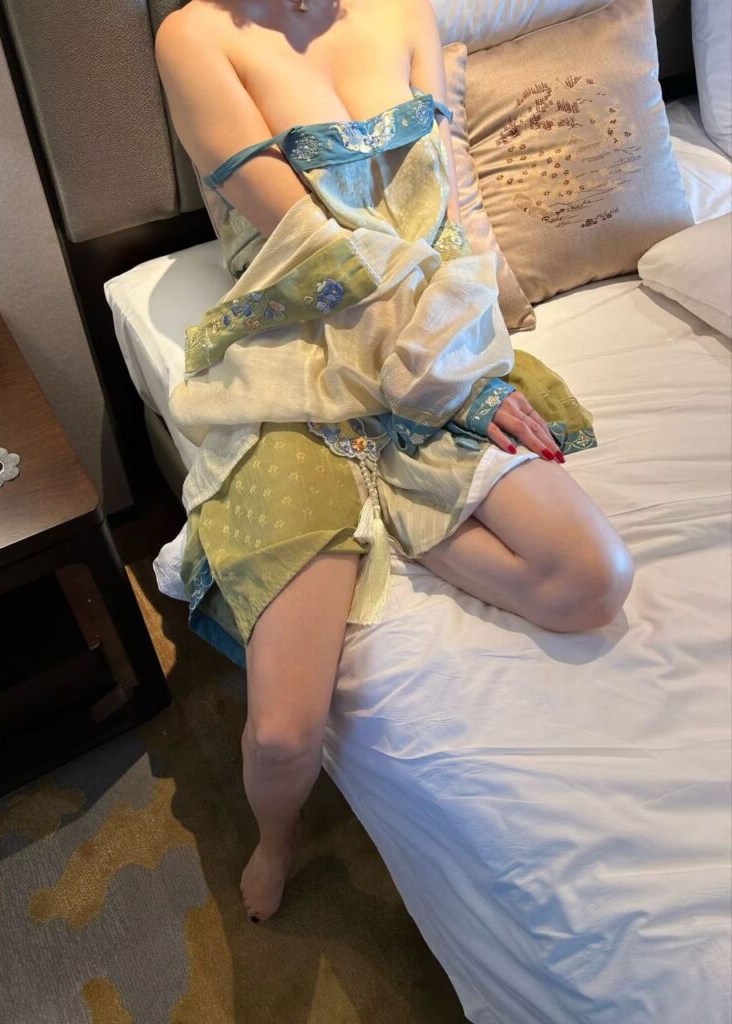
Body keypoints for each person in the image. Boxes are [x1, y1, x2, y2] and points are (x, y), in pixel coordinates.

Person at [154, 0, 635, 925]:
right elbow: (309, 245)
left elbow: (441, 221)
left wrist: (463, 367)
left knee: (592, 580)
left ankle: (404, 517)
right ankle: (278, 835)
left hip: (431, 334)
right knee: (285, 734)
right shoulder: (194, 35)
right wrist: (439, 381)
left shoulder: (403, 9)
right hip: (297, 355)